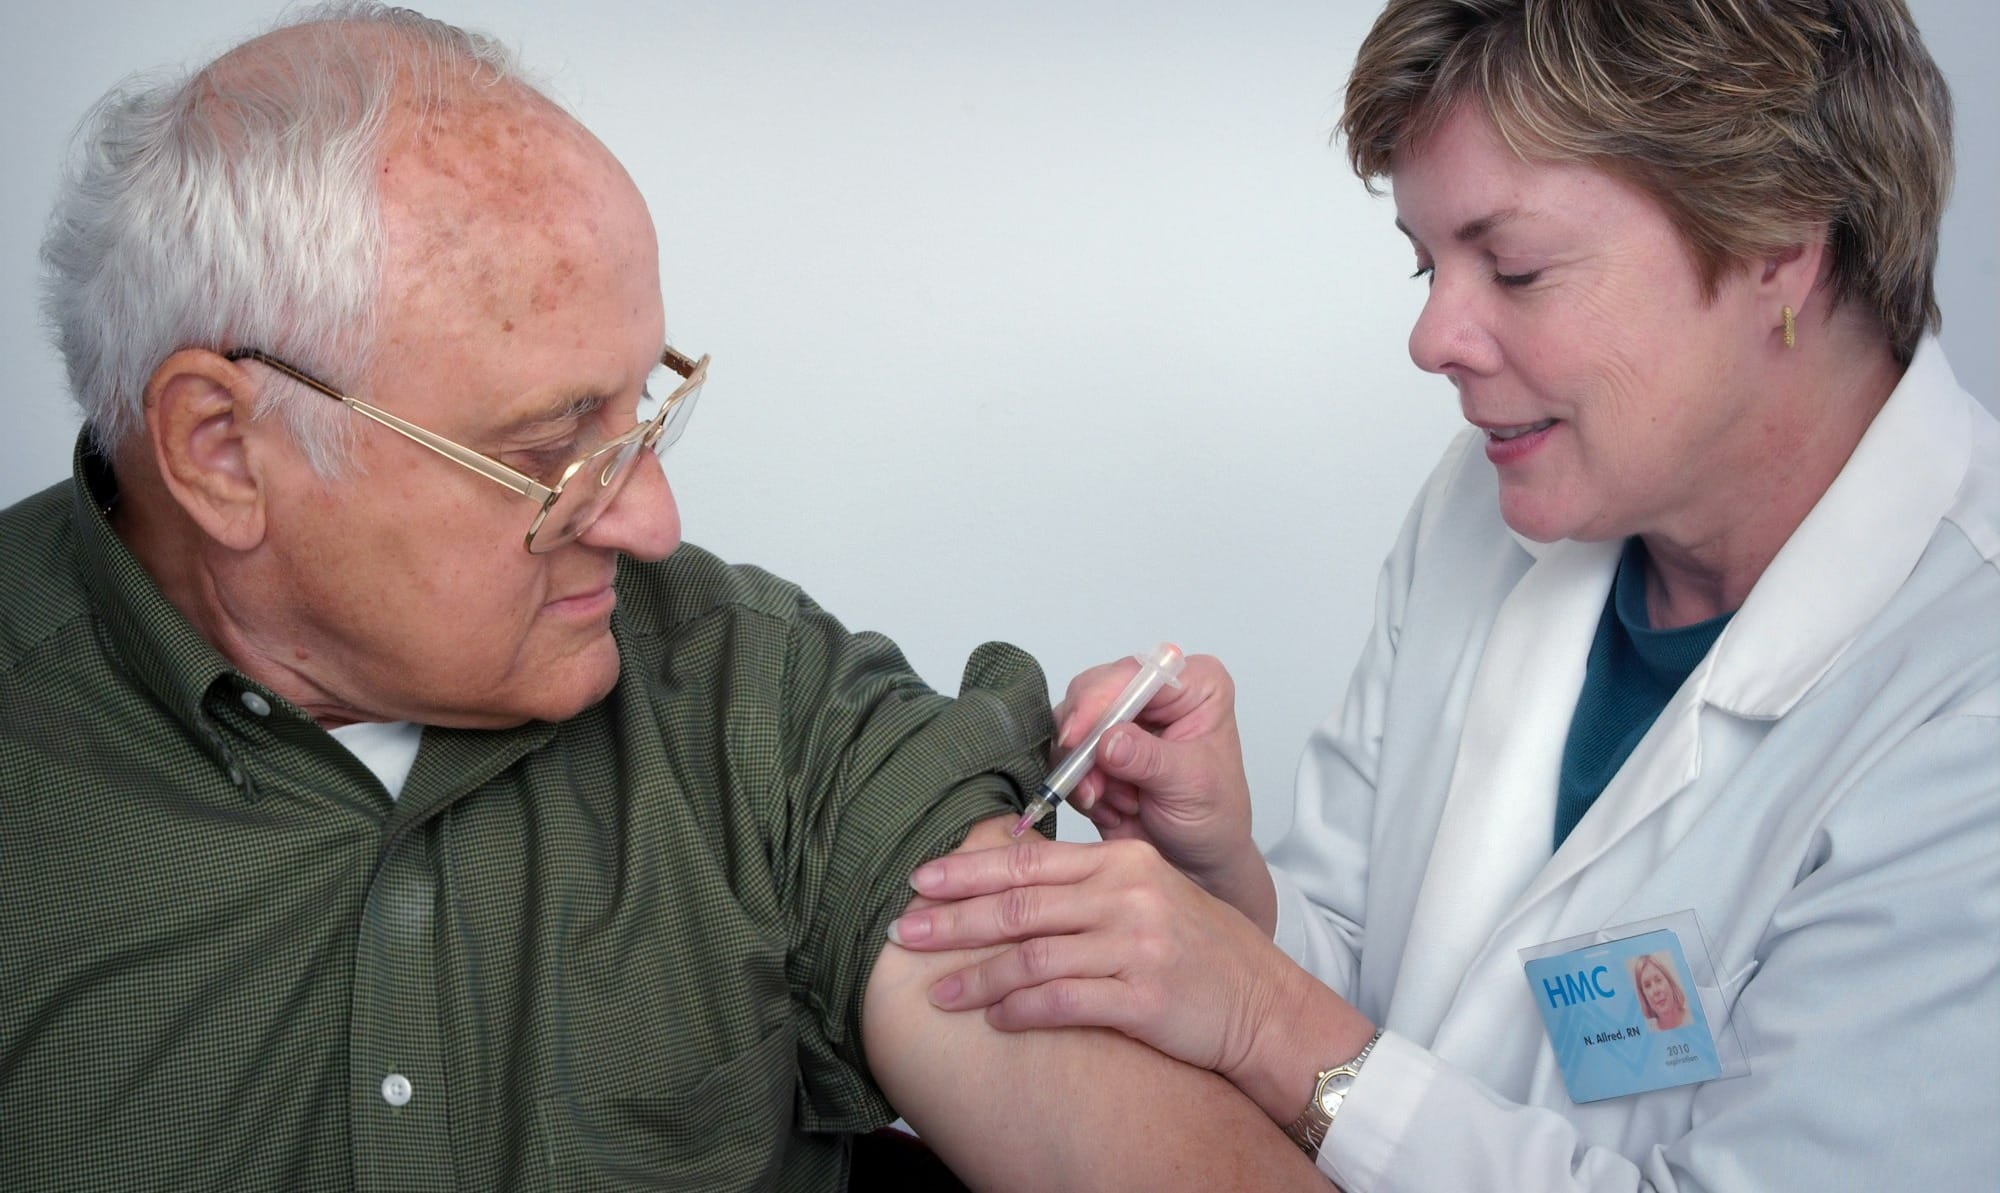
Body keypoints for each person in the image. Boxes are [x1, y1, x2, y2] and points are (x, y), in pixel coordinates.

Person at [0, 5, 1325, 1189]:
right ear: (224, 452)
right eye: (546, 451)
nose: (651, 520)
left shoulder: (749, 700)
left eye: (645, 409)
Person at [887, 0, 2000, 1188]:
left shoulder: (1961, 711)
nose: (1429, 337)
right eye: (1428, 264)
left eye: (1512, 267)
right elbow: (1394, 1007)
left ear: (1779, 239)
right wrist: (1228, 895)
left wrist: (1263, 1015)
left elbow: (1326, 1054)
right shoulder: (1495, 502)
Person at [1631, 955, 1687, 1034]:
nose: (1655, 990)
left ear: (1670, 983)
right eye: (1647, 985)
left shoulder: (1693, 1018)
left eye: (1658, 980)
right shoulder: (1648, 1033)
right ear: (1644, 995)